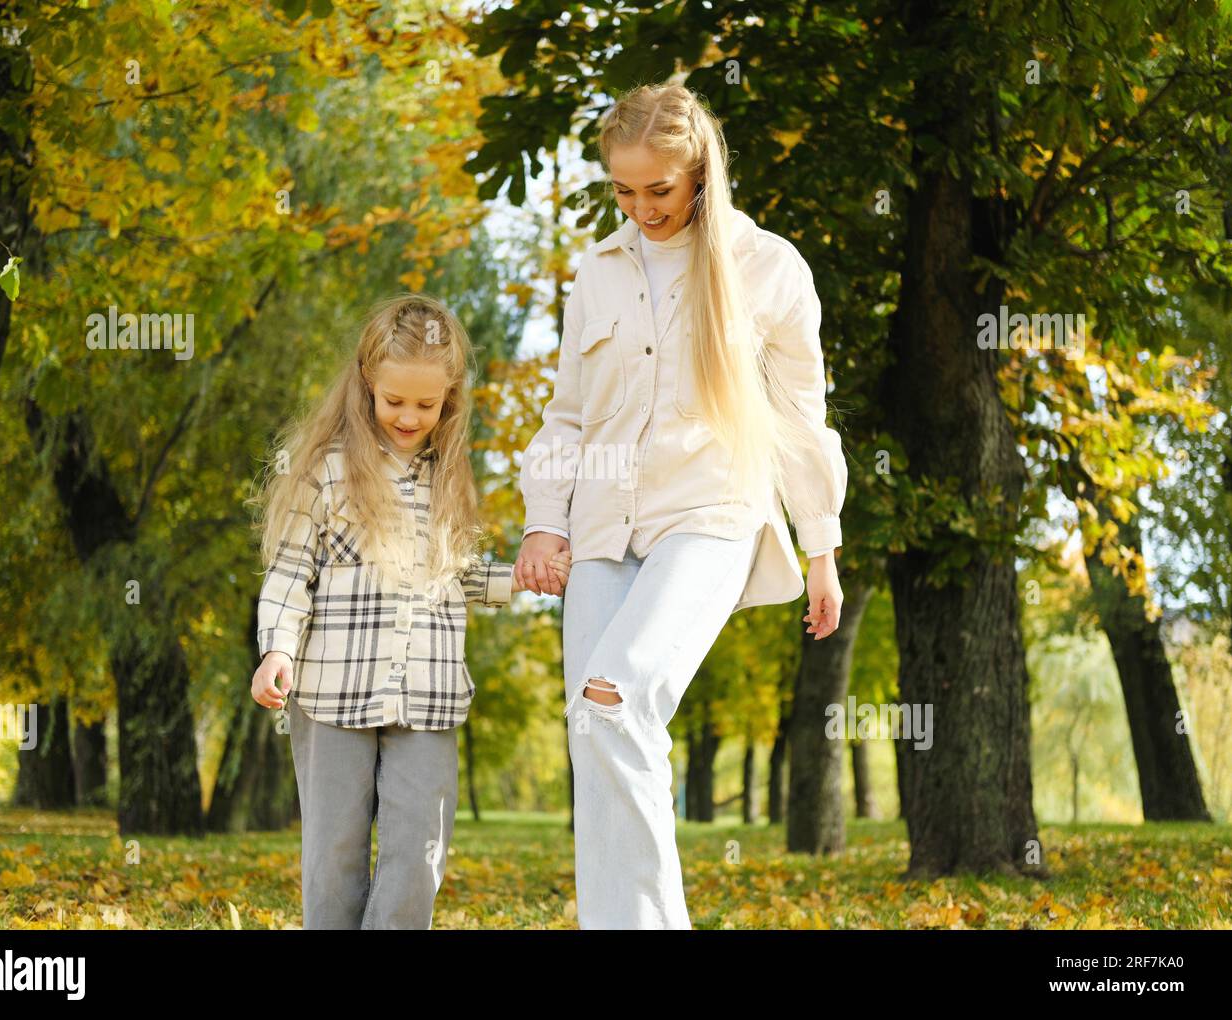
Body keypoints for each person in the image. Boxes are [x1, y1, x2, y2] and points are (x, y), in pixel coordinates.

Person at [515, 84, 848, 929]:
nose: (641, 208)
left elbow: (801, 418)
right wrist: (543, 520)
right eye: (623, 191)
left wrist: (821, 547)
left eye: (658, 189)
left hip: (710, 516)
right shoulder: (597, 272)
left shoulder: (769, 268)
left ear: (700, 172)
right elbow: (568, 412)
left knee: (615, 696)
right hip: (601, 526)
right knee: (596, 737)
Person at [249, 294, 570, 929]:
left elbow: (454, 575)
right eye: (395, 400)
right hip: (333, 691)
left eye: (427, 405)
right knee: (334, 849)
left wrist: (521, 579)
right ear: (368, 380)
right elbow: (290, 571)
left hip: (428, 694)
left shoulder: (447, 476)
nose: (409, 416)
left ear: (448, 398)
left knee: (421, 846)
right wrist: (276, 649)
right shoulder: (326, 471)